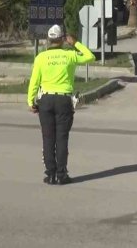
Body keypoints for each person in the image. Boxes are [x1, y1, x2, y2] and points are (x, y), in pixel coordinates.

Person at [28, 25, 96, 185]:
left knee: (48, 138)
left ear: (49, 40)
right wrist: (75, 43)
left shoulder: (41, 58)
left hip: (45, 100)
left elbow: (34, 81)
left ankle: (50, 174)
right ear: (62, 39)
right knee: (62, 138)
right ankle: (61, 174)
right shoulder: (69, 55)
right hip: (64, 101)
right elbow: (90, 56)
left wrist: (31, 101)